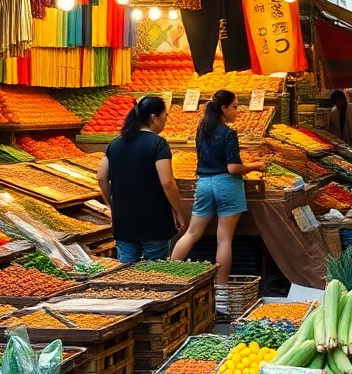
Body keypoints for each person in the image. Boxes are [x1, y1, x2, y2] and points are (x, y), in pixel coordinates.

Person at [171, 92, 265, 283]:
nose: (237, 111)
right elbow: (233, 168)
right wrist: (255, 166)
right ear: (224, 108)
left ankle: (168, 277)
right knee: (224, 240)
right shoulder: (228, 133)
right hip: (227, 186)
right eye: (235, 107)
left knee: (191, 233)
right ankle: (221, 288)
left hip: (204, 183)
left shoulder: (202, 130)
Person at [98, 95, 190, 263]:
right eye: (165, 116)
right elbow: (167, 183)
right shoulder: (158, 144)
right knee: (155, 271)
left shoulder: (115, 144)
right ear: (154, 117)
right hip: (154, 220)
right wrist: (178, 211)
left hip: (124, 220)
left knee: (126, 271)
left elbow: (101, 177)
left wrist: (112, 205)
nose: (166, 120)